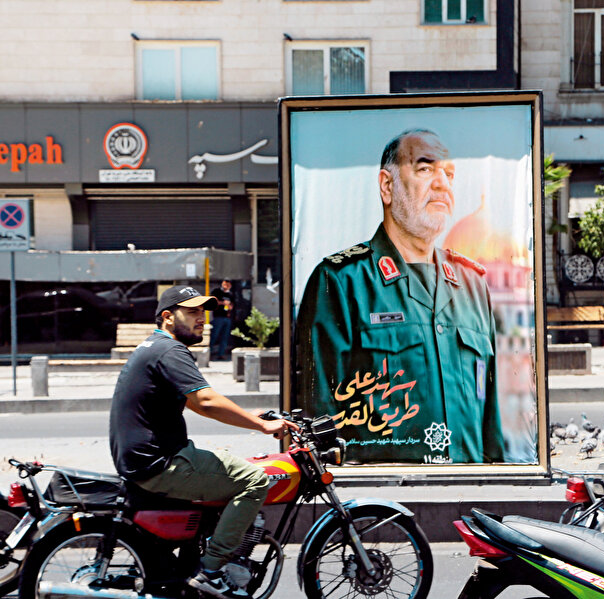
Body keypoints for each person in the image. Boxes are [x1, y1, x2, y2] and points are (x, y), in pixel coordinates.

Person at [296, 128, 504, 464]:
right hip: (385, 490)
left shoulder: (473, 285)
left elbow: (490, 414)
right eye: (425, 168)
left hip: (469, 483)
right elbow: (319, 414)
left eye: (449, 174)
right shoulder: (341, 282)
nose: (442, 184)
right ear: (387, 186)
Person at [109, 285, 298, 599]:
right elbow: (206, 401)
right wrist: (263, 426)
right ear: (167, 316)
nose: (202, 319)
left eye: (203, 312)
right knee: (254, 480)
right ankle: (211, 571)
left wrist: (248, 417)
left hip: (145, 458)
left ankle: (197, 555)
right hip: (159, 463)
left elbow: (194, 401)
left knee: (223, 464)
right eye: (192, 312)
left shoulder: (153, 347)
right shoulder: (170, 350)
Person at [210, 280, 234, 361]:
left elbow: (232, 304)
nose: (226, 286)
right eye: (224, 284)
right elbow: (212, 302)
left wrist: (230, 306)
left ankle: (221, 354)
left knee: (225, 337)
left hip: (227, 317)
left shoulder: (230, 294)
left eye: (228, 285)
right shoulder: (216, 292)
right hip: (218, 317)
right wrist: (222, 303)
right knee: (214, 335)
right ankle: (209, 352)